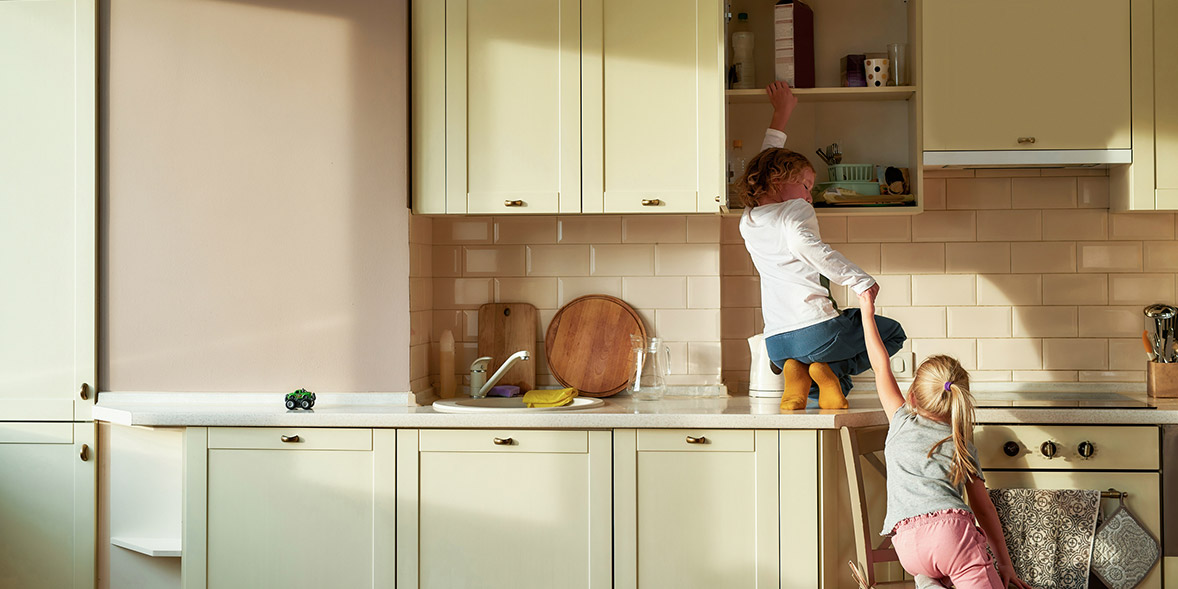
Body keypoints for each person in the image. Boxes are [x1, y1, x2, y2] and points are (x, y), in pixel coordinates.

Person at [736, 81, 905, 410]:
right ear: (779, 178)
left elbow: (762, 163)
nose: (810, 196)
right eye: (807, 185)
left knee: (816, 379)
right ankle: (831, 373)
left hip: (777, 342)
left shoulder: (750, 219)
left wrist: (781, 115)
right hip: (817, 331)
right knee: (892, 333)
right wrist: (859, 281)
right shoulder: (795, 211)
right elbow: (807, 245)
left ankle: (798, 376)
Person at [857, 290, 1032, 589]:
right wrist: (1005, 564)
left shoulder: (900, 420)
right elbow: (984, 510)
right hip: (952, 537)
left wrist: (866, 311)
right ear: (959, 403)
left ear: (913, 396)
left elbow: (880, 366)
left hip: (907, 547)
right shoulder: (963, 446)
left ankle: (928, 584)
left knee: (927, 573)